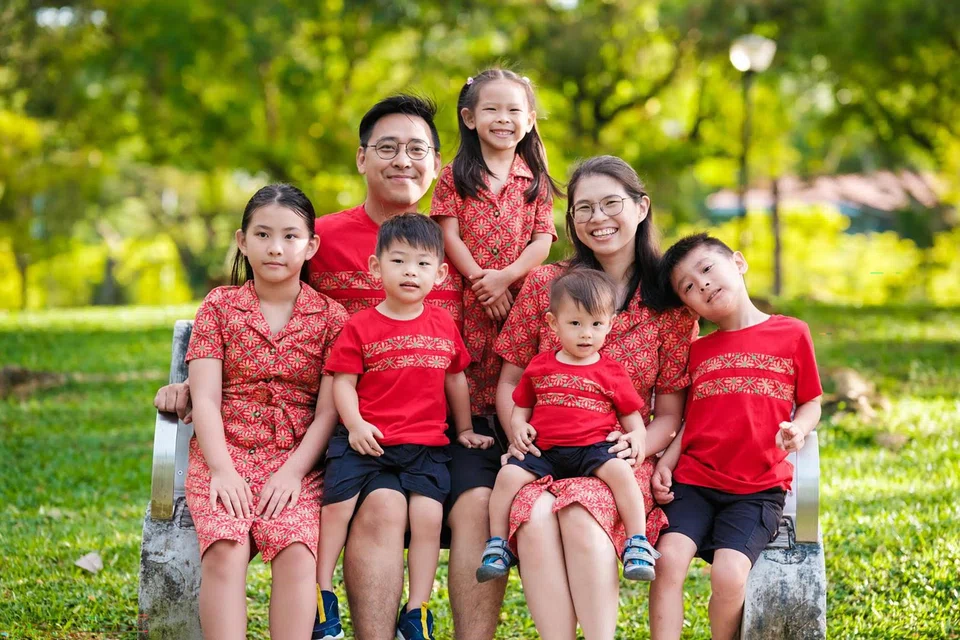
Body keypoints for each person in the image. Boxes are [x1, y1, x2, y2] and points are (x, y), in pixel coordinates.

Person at [154, 95, 511, 640]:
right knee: (384, 505)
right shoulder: (320, 239)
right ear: (362, 158)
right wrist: (193, 381)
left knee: (476, 503)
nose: (402, 160)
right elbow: (269, 296)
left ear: (437, 164)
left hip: (436, 430)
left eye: (417, 149)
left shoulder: (457, 244)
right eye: (387, 148)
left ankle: (429, 621)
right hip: (349, 430)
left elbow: (514, 326)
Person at [494, 155, 696, 639]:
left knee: (582, 512)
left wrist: (639, 446)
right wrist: (517, 432)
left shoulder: (668, 303)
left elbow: (670, 411)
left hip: (617, 458)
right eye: (583, 209)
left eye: (611, 204)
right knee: (536, 516)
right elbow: (509, 380)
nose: (597, 218)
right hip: (542, 452)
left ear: (641, 207)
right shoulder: (548, 284)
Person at [316, 214, 493, 640]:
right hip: (366, 441)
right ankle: (320, 593)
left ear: (440, 273)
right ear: (376, 267)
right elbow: (343, 383)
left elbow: (455, 379)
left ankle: (418, 609)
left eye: (422, 263)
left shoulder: (442, 324)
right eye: (398, 261)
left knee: (429, 517)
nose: (410, 272)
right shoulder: (359, 326)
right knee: (336, 508)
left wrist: (464, 428)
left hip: (425, 445)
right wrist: (355, 424)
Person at [184, 184, 348, 639]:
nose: (276, 248)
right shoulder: (219, 307)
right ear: (242, 241)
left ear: (311, 245)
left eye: (291, 236)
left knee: (297, 548)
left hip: (296, 458)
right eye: (262, 235)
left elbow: (327, 415)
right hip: (225, 451)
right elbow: (205, 400)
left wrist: (294, 473)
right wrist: (221, 469)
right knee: (226, 547)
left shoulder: (332, 319)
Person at [649, 233, 823, 640]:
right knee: (668, 560)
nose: (703, 284)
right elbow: (692, 419)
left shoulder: (792, 333)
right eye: (688, 286)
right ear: (687, 306)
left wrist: (799, 428)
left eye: (707, 269)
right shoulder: (697, 351)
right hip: (695, 482)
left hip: (757, 488)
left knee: (729, 575)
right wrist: (666, 463)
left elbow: (811, 401)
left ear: (738, 263)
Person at [479, 269, 659, 585]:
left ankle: (637, 542)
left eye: (596, 324)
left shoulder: (611, 371)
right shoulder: (540, 365)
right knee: (507, 476)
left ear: (609, 325)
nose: (586, 333)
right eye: (575, 323)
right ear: (553, 323)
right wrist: (519, 427)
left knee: (621, 474)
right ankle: (497, 545)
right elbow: (521, 408)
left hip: (594, 449)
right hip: (545, 449)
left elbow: (634, 423)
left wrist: (637, 437)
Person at [430, 68, 560, 421]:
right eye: (492, 110)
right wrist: (481, 281)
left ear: (530, 120)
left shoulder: (534, 180)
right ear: (469, 118)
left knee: (514, 363)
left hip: (517, 298)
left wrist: (505, 277)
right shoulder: (455, 175)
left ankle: (512, 428)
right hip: (467, 295)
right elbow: (447, 234)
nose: (503, 119)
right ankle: (463, 429)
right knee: (465, 361)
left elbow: (542, 239)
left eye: (514, 111)